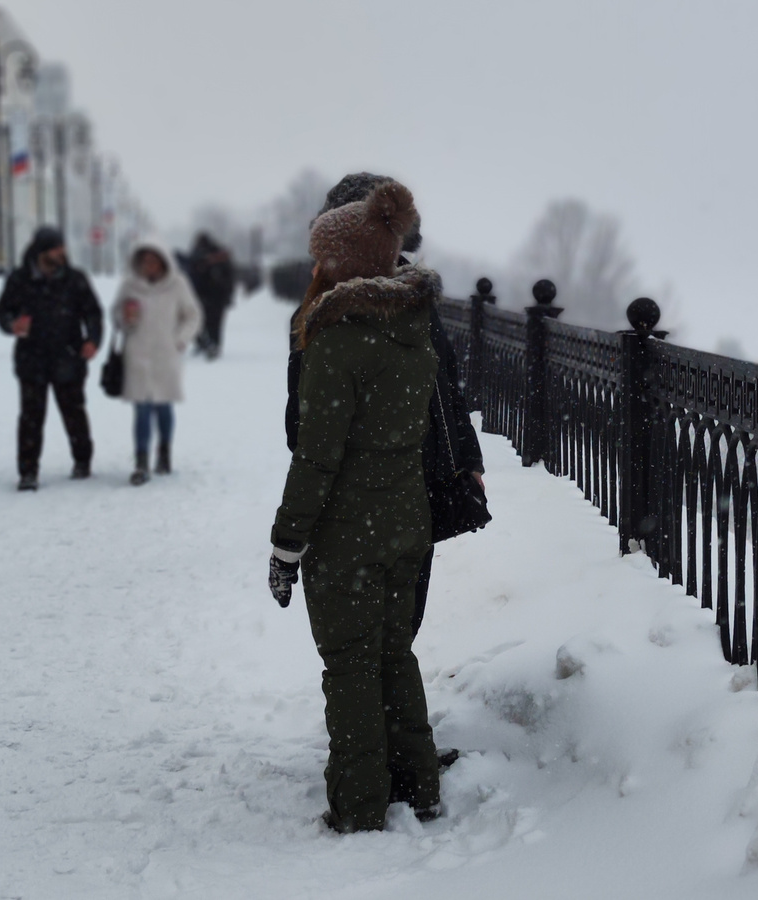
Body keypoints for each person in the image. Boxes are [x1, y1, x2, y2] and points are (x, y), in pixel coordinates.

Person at [269, 181, 443, 833]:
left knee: (349, 669)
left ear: (342, 261)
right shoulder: (412, 328)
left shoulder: (339, 340)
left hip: (349, 536)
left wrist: (287, 545)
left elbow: (316, 460)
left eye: (323, 254)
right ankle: (421, 786)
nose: (316, 265)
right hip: (404, 524)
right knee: (395, 658)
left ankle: (360, 805)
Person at [285, 173, 485, 637]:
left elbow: (446, 387)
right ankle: (378, 709)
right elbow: (304, 423)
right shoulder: (324, 315)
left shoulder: (414, 300)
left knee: (394, 627)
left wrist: (466, 458)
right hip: (361, 493)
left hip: (419, 484)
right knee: (370, 633)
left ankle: (382, 708)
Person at [0, 226, 102, 492]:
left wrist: (93, 340)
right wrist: (12, 324)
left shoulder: (75, 279)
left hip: (68, 355)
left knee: (74, 411)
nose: (61, 252)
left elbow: (93, 313)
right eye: (56, 248)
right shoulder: (20, 279)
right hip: (32, 358)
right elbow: (2, 310)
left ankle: (82, 461)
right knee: (31, 416)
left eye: (62, 247)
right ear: (42, 251)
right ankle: (28, 472)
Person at [111, 237, 203, 485]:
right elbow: (116, 315)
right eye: (144, 261)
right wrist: (125, 318)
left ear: (163, 262)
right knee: (141, 409)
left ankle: (164, 451)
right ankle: (141, 461)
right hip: (137, 355)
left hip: (166, 355)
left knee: (163, 407)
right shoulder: (130, 285)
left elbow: (192, 315)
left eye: (153, 260)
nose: (148, 265)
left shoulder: (178, 284)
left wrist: (180, 339)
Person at [187, 232, 235, 359]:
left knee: (204, 322)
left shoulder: (205, 257)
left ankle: (209, 345)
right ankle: (211, 344)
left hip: (207, 296)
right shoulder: (204, 257)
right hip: (212, 297)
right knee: (212, 323)